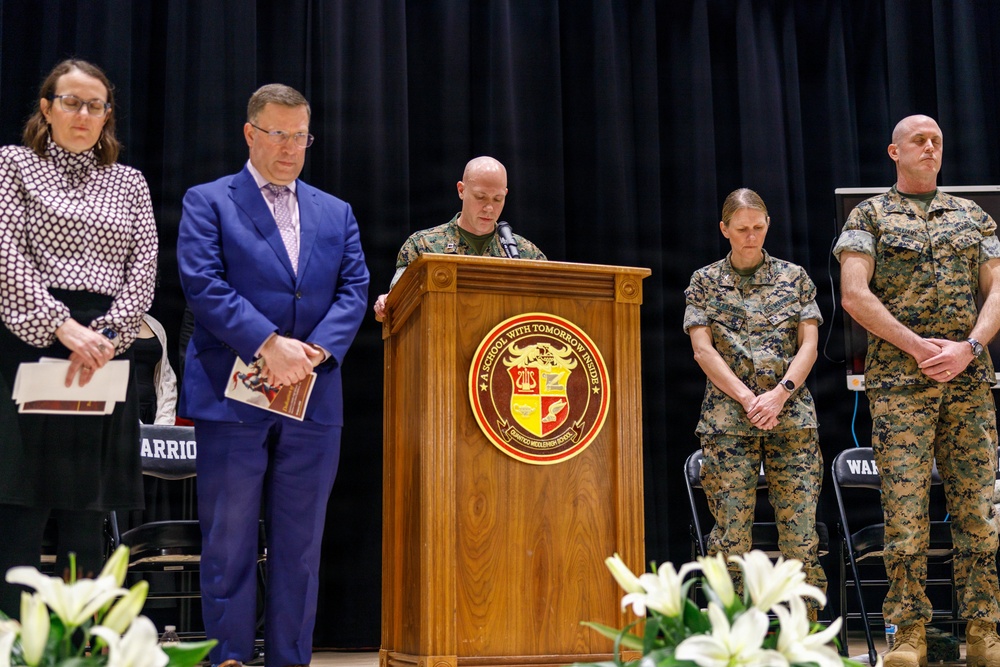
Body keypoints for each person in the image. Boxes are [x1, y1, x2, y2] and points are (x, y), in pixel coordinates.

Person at [177, 83, 369, 667]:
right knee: (229, 541)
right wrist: (267, 344)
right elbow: (203, 284)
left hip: (314, 398)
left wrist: (312, 351)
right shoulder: (208, 200)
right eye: (278, 134)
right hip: (232, 394)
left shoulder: (335, 211)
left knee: (300, 547)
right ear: (250, 134)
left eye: (301, 136)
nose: (291, 148)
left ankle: (291, 659)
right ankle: (229, 657)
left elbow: (354, 289)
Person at [834, 114, 1000, 667]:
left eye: (937, 142)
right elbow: (854, 295)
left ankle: (983, 631)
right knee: (904, 515)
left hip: (969, 382)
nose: (931, 149)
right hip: (901, 385)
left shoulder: (971, 215)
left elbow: (998, 289)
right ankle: (909, 634)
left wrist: (967, 348)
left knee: (977, 508)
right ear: (894, 152)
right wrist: (918, 347)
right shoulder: (869, 215)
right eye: (919, 142)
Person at [0, 59, 157, 616]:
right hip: (31, 343)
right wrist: (62, 326)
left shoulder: (129, 181)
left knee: (87, 517)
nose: (83, 114)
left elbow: (144, 269)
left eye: (95, 105)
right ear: (46, 107)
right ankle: (14, 646)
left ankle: (83, 648)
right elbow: (6, 255)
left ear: (107, 114)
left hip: (103, 354)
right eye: (71, 102)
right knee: (20, 510)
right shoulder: (14, 165)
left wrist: (109, 335)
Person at [683, 188, 826, 612]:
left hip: (792, 417)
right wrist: (749, 399)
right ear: (724, 229)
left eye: (759, 228)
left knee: (800, 532)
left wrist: (779, 395)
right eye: (742, 229)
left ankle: (808, 633)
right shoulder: (704, 281)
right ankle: (729, 631)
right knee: (730, 535)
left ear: (768, 226)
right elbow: (702, 350)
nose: (751, 236)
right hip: (729, 421)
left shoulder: (794, 277)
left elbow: (810, 344)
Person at [373, 156, 545, 321]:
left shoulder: (524, 253)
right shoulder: (423, 246)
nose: (489, 208)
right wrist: (385, 304)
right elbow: (393, 309)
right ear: (461, 190)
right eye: (480, 197)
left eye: (497, 199)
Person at [135, 313, 178, 425]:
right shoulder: (107, 323)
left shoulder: (155, 325)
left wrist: (164, 420)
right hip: (121, 412)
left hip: (151, 410)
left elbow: (166, 377)